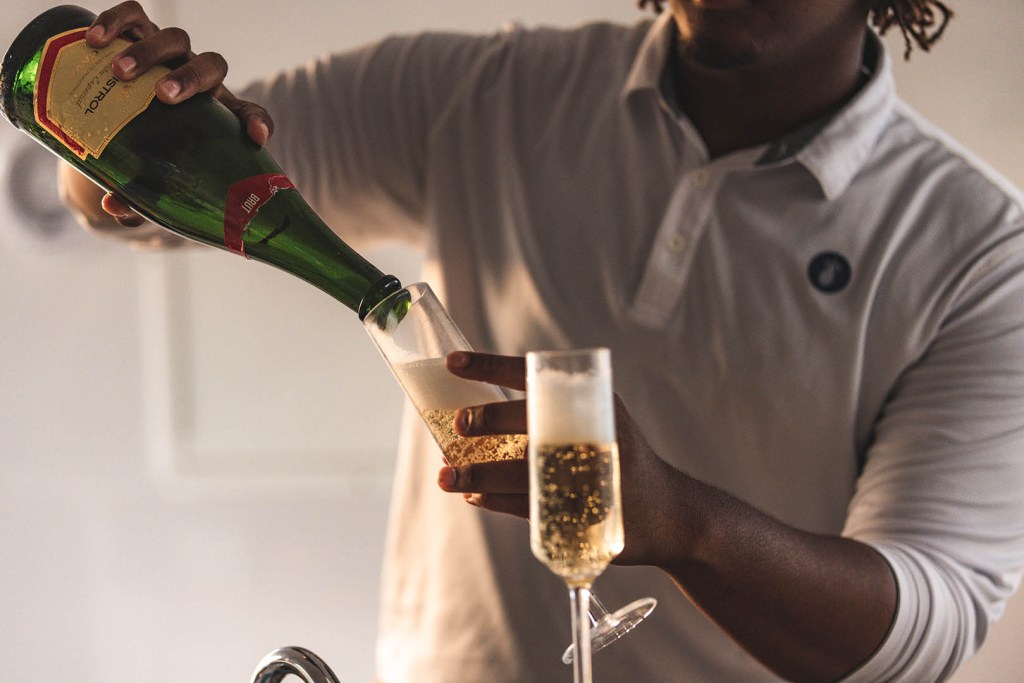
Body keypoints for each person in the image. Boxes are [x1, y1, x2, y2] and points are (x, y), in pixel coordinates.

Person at [59, 0, 1024, 681]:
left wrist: (679, 523)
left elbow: (927, 628)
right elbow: (127, 206)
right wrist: (125, 110)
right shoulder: (485, 93)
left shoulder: (980, 251)